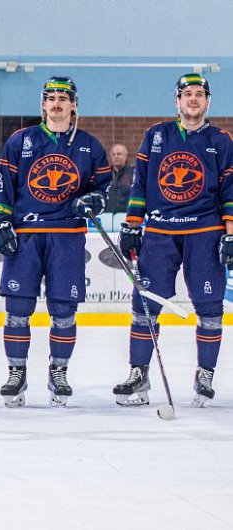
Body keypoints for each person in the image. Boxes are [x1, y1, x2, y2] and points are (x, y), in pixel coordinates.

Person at [0, 76, 110, 407]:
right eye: (51, 98)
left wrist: (95, 200)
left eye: (63, 98)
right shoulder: (20, 141)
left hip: (67, 235)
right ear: (43, 104)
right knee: (17, 308)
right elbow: (4, 187)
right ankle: (17, 372)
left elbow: (103, 186)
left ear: (74, 105)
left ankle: (59, 372)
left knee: (64, 310)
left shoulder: (89, 145)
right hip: (25, 235)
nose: (56, 104)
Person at [113, 73, 233, 407]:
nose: (193, 99)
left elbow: (230, 191)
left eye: (199, 94)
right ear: (177, 100)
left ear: (207, 101)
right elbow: (140, 184)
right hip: (160, 231)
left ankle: (205, 375)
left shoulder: (221, 140)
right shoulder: (157, 135)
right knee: (145, 305)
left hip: (204, 232)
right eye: (187, 94)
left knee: (210, 307)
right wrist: (132, 224)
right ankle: (138, 374)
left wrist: (231, 233)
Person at [106, 143, 132, 213]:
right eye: (113, 154)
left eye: (119, 154)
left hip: (126, 215)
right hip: (107, 216)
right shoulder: (105, 175)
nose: (116, 156)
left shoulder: (133, 174)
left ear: (125, 156)